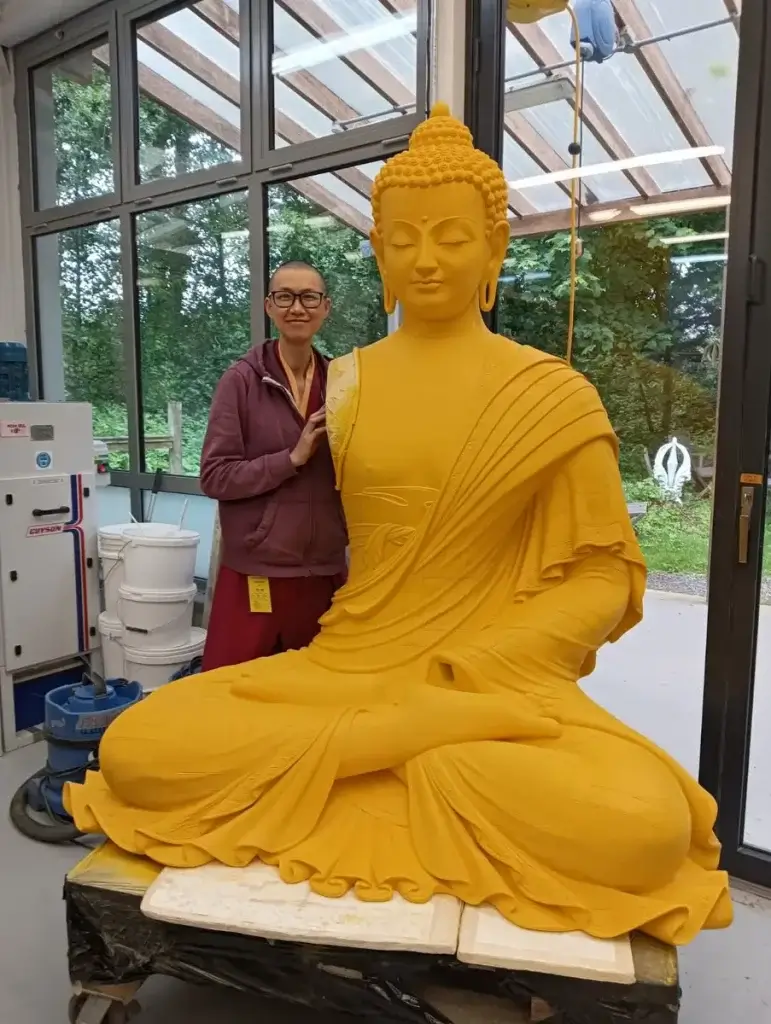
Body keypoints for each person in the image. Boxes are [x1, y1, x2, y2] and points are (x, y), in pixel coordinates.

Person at [68, 105, 731, 946]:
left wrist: (480, 665)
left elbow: (603, 576)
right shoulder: (346, 381)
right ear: (377, 249)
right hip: (351, 669)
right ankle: (407, 745)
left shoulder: (550, 393)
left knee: (637, 827)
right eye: (404, 237)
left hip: (483, 681)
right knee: (139, 749)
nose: (425, 258)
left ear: (495, 249)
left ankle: (369, 754)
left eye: (453, 237)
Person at [199, 261, 347, 671]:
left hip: (324, 569)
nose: (297, 308)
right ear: (269, 306)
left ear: (325, 307)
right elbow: (215, 476)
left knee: (319, 693)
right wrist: (291, 459)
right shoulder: (242, 381)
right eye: (285, 296)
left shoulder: (341, 380)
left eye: (308, 297)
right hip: (257, 571)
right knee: (234, 691)